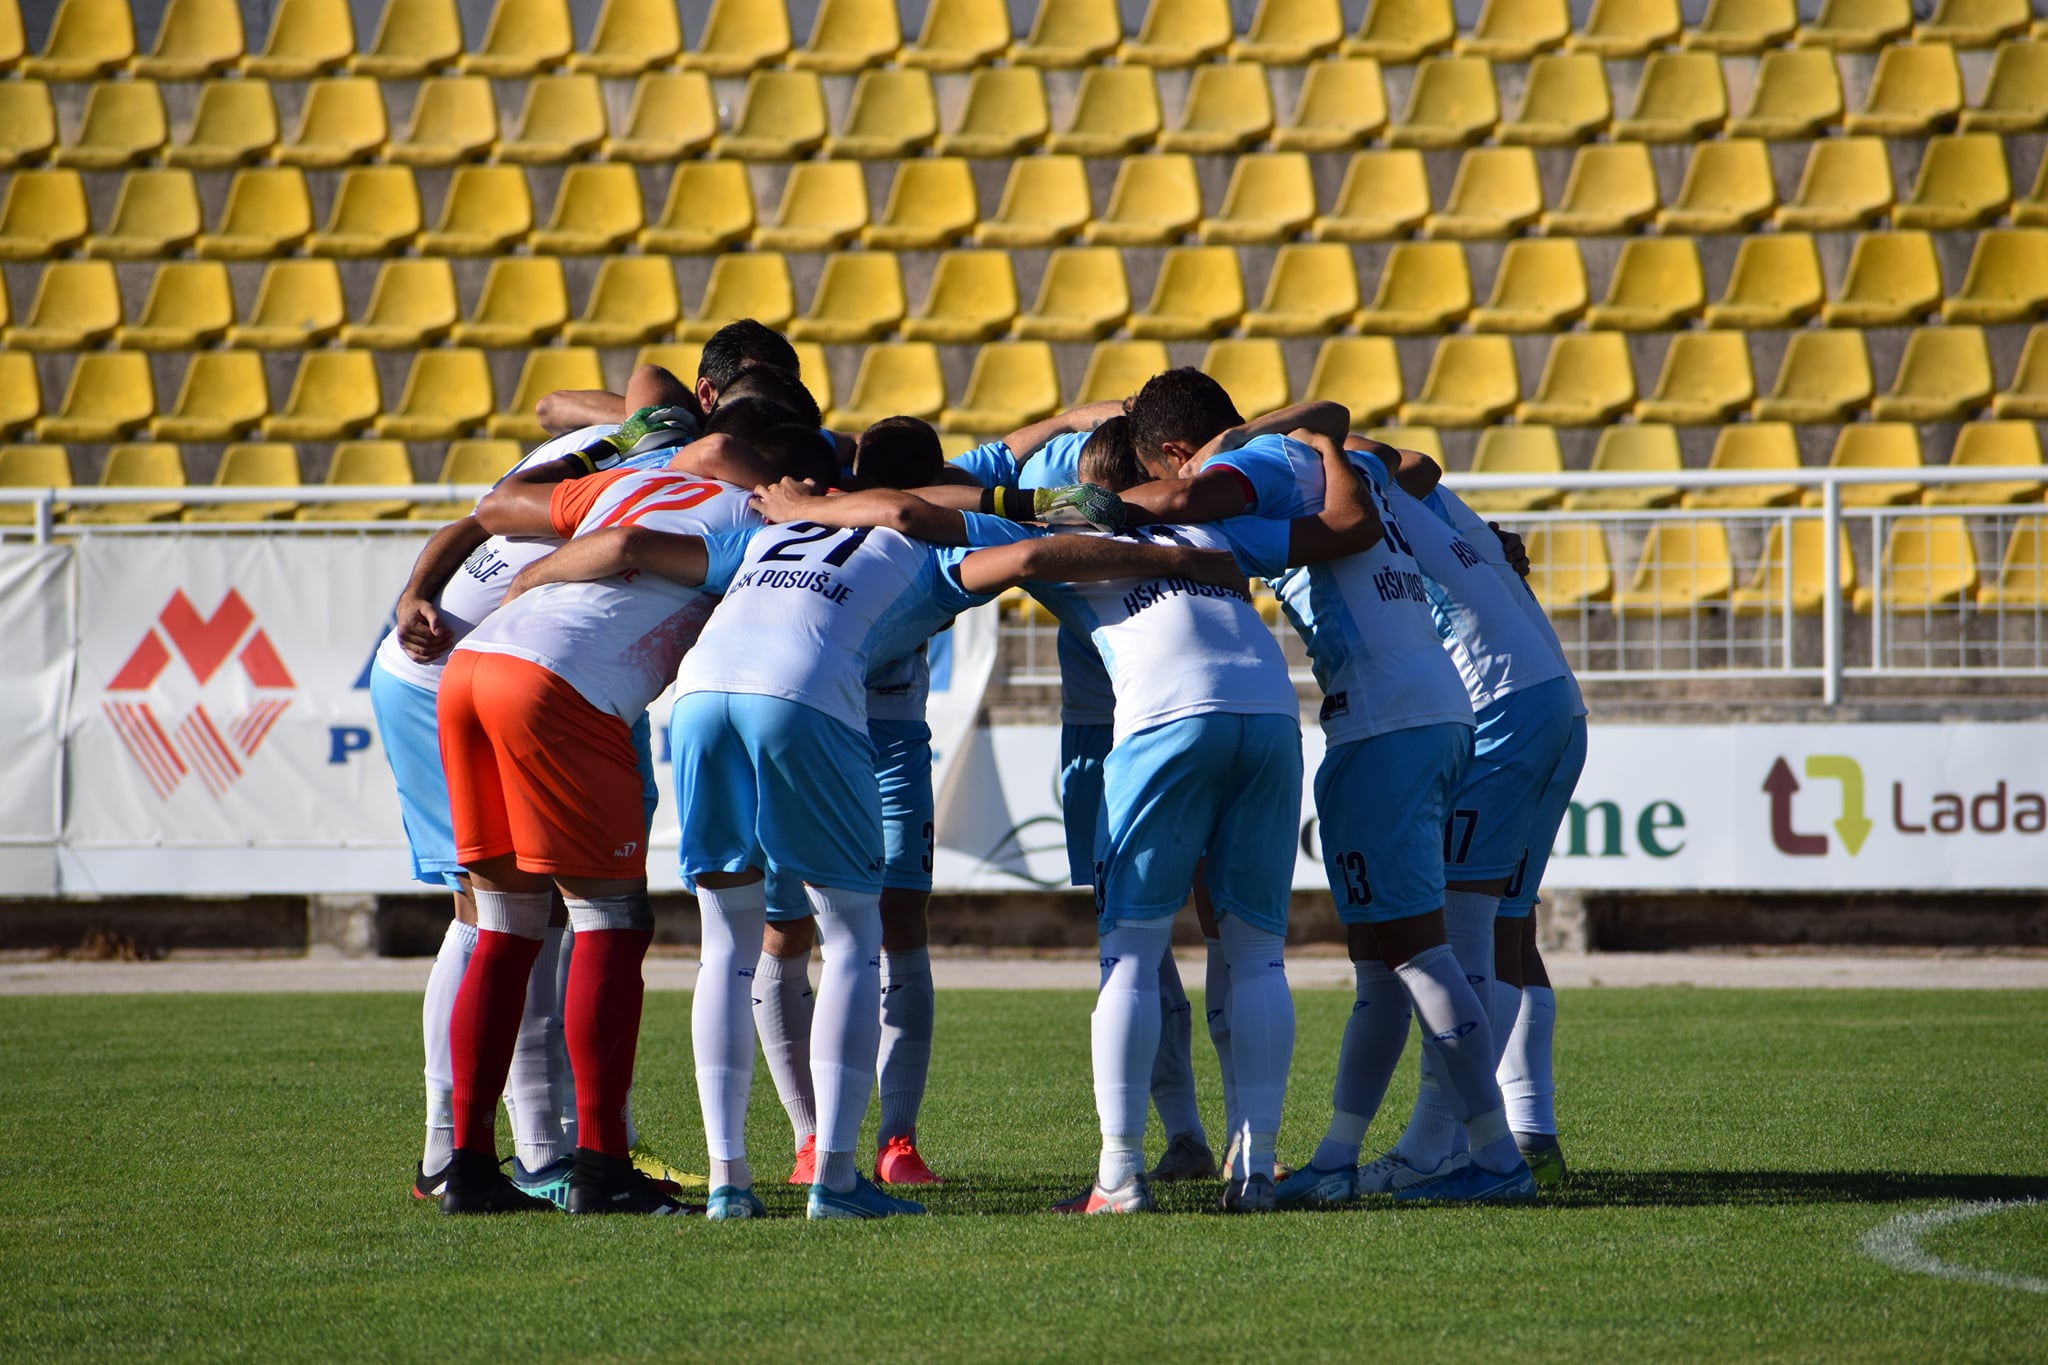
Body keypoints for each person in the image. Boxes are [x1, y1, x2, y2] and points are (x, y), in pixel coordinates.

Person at [642, 457, 1231, 1219]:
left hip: (698, 696)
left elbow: (633, 548)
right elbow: (1024, 554)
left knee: (725, 944)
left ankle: (728, 1183)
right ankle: (837, 1177)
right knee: (855, 935)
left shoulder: (774, 525)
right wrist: (1176, 559)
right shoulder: (930, 542)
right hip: (801, 695)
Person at [1121, 369, 1535, 1204]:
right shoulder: (1330, 459)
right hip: (1433, 708)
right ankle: (1338, 1160)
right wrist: (1325, 439)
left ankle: (1494, 1159)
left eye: (1168, 468)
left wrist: (1056, 510)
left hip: (1382, 721)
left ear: (1175, 453)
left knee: (1419, 950)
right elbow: (1406, 462)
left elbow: (1176, 506)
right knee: (1383, 961)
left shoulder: (1252, 470)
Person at [429, 418, 786, 1215]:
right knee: (611, 919)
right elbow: (629, 549)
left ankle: (472, 1168)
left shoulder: (634, 477)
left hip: (471, 671)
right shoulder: (752, 522)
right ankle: (600, 1166)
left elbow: (498, 505)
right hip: (557, 686)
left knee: (505, 923)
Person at [1023, 418, 1381, 1214]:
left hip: (1167, 717)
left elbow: (931, 516)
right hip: (1269, 715)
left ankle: (1119, 1175)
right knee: (1257, 953)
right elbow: (1348, 522)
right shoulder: (1212, 522)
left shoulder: (1066, 523)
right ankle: (1252, 1168)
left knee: (1131, 950)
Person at [368, 374, 700, 1207]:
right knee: (504, 912)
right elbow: (504, 513)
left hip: (485, 666)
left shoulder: (603, 446)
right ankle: (492, 1149)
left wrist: (414, 591)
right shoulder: (663, 474)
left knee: (519, 913)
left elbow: (540, 421)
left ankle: (505, 1148)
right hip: (473, 669)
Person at [1418, 478, 1588, 1185]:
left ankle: (1454, 1145)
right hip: (1557, 704)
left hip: (1504, 709)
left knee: (1468, 926)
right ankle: (1531, 1133)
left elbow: (1397, 458)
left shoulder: (1377, 498)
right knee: (1510, 929)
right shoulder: (1449, 516)